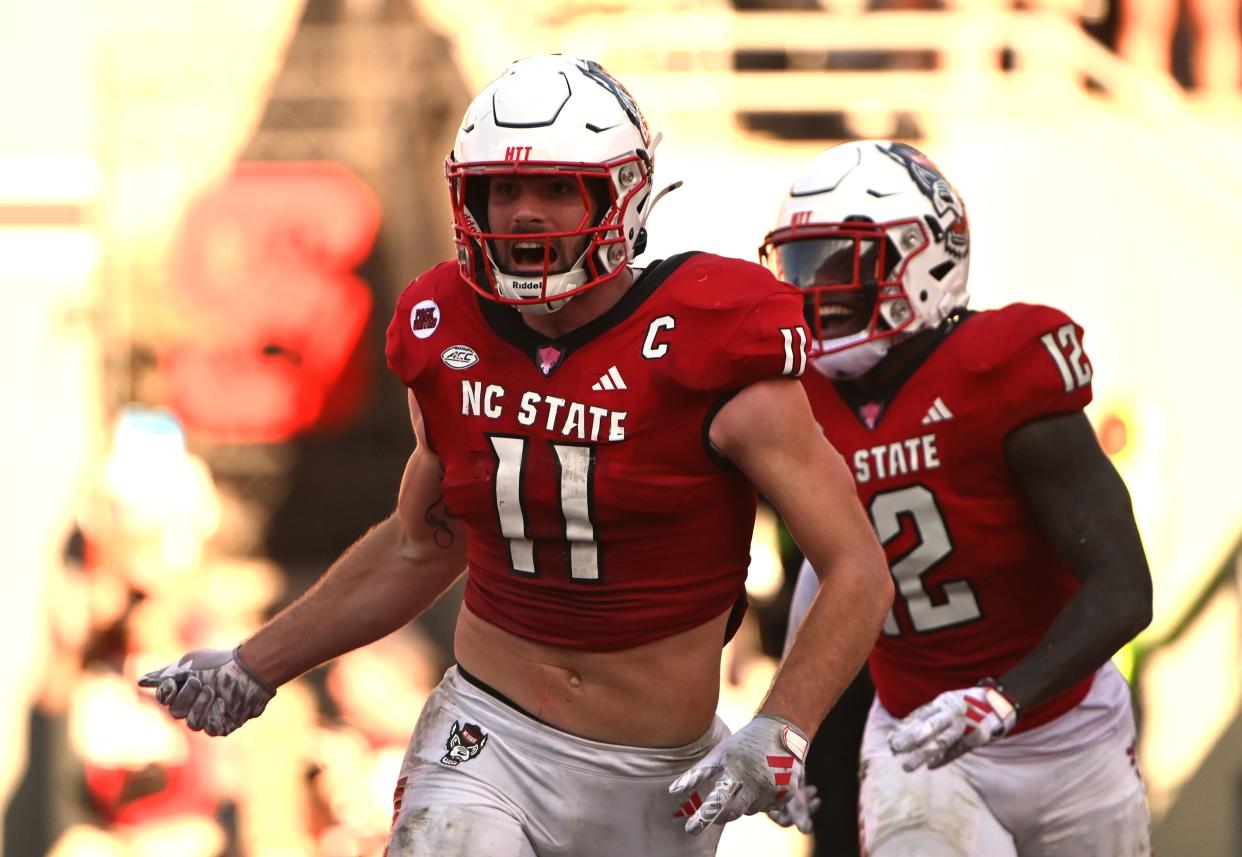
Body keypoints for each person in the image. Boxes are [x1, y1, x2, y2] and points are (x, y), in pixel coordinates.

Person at [137, 55, 893, 856]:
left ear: (621, 194)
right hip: (488, 736)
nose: (525, 213)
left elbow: (856, 566)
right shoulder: (444, 330)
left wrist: (783, 722)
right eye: (504, 188)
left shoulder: (712, 338)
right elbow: (419, 542)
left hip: (656, 772)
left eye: (557, 187)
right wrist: (256, 664)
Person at [763, 139, 1154, 856]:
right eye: (800, 264)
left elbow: (1124, 586)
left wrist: (1000, 696)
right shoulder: (803, 399)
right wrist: (789, 718)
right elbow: (832, 563)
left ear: (924, 257)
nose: (815, 289)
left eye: (839, 263)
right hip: (919, 734)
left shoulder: (1001, 366)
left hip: (1068, 733)